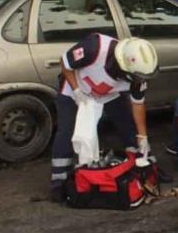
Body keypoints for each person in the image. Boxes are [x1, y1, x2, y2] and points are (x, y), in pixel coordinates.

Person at [50, 34, 160, 203]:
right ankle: (59, 180)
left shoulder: (138, 76)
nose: (140, 80)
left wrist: (143, 136)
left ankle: (147, 167)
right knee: (66, 131)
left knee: (128, 126)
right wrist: (77, 91)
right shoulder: (95, 47)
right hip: (75, 91)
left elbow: (138, 105)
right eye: (137, 77)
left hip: (108, 93)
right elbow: (65, 63)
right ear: (123, 65)